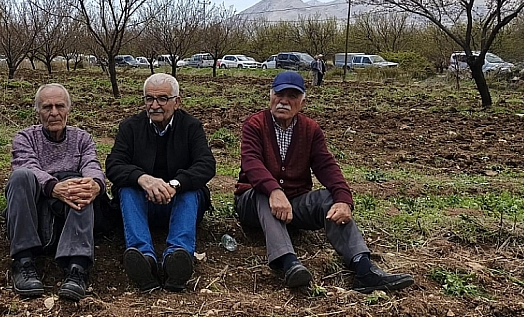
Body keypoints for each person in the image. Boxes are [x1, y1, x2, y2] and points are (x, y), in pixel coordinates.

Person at [234, 71, 413, 293]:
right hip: (253, 206)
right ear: (270, 95)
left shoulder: (310, 129)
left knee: (331, 199)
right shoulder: (255, 124)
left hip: (294, 205)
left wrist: (343, 199)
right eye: (279, 93)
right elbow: (252, 163)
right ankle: (288, 263)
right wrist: (274, 190)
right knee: (262, 191)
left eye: (292, 96)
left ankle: (363, 269)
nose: (284, 101)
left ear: (302, 102)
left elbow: (326, 166)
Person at [106, 74, 215, 292]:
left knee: (190, 190)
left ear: (177, 101)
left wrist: (175, 184)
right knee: (127, 188)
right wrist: (142, 178)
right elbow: (114, 164)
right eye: (149, 99)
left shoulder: (191, 127)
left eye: (162, 99)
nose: (155, 105)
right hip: (142, 204)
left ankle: (177, 257)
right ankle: (143, 258)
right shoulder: (130, 127)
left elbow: (206, 164)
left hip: (178, 203)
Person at [4, 83, 107, 301]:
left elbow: (91, 163)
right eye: (46, 107)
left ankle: (77, 267)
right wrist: (53, 187)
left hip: (70, 211)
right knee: (20, 177)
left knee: (82, 184)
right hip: (38, 206)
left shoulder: (82, 138)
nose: (54, 113)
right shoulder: (25, 138)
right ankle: (23, 260)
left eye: (59, 106)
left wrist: (95, 183)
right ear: (37, 111)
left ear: (68, 109)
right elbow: (27, 164)